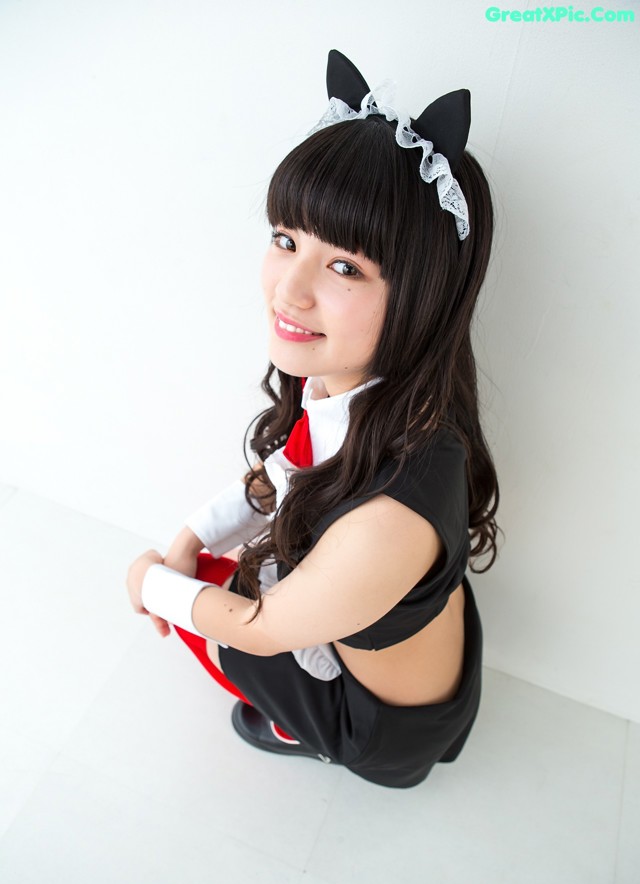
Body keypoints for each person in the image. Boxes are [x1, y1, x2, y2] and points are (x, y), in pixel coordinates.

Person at [126, 50, 499, 789]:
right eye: (286, 240)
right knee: (235, 572)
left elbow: (258, 629)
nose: (288, 291)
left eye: (345, 268)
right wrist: (189, 537)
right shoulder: (373, 397)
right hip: (410, 662)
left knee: (230, 614)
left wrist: (151, 581)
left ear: (420, 298)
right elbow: (274, 478)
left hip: (381, 732)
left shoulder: (387, 518)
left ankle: (306, 726)